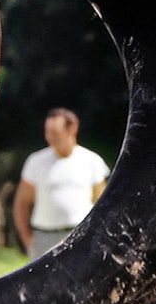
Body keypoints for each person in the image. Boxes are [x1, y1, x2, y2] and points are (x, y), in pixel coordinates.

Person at [12, 108, 109, 259]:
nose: (50, 137)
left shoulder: (91, 161)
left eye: (55, 133)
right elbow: (21, 203)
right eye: (47, 132)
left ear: (72, 130)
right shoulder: (36, 162)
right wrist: (27, 238)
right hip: (44, 237)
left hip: (80, 235)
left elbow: (102, 202)